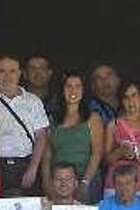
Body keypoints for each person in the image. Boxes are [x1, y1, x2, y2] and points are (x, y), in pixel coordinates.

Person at [0, 54, 50, 196]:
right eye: (2, 71)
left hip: (26, 164)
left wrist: (33, 168)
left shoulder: (33, 101)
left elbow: (41, 137)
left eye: (12, 71)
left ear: (20, 74)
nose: (7, 76)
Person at [43, 72, 104, 202]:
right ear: (62, 90)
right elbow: (47, 156)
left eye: (78, 86)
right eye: (68, 86)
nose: (73, 90)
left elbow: (97, 153)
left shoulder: (93, 119)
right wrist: (47, 183)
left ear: (84, 91)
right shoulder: (53, 120)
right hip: (60, 183)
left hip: (86, 181)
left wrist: (84, 183)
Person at [103, 81, 140, 200]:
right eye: (126, 97)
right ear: (121, 100)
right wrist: (120, 152)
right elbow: (106, 160)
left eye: (134, 96)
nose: (131, 101)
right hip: (116, 184)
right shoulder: (114, 125)